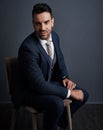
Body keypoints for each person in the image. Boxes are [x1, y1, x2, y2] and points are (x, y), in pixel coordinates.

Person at [13, 3, 89, 130]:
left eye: (46, 22)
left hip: (47, 84)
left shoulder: (55, 37)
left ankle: (58, 123)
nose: (42, 28)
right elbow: (39, 86)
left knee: (84, 94)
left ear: (52, 22)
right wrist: (69, 93)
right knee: (57, 104)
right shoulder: (28, 48)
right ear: (33, 24)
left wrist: (65, 77)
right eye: (38, 23)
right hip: (29, 92)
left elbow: (60, 59)